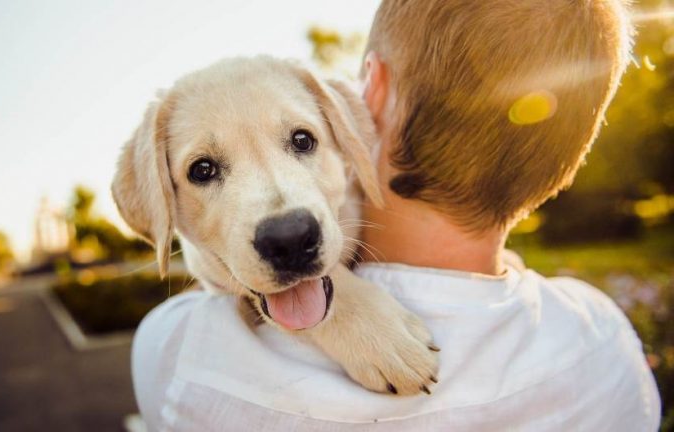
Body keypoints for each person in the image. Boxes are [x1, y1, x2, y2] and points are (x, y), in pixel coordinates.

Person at [132, 0, 661, 430]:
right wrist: (340, 308)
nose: (285, 219)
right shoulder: (605, 343)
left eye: (300, 140)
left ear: (370, 95)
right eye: (204, 170)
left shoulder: (181, 356)